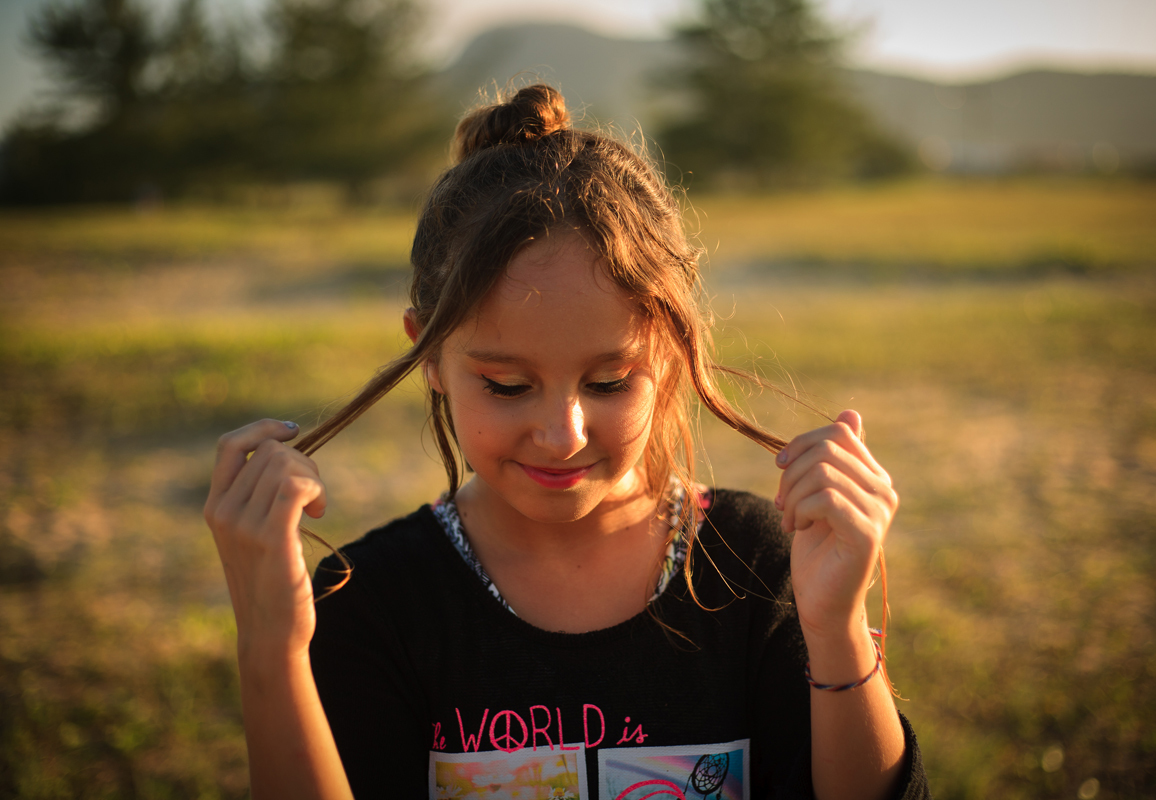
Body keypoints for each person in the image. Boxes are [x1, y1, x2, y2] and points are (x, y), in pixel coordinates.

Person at [204, 84, 931, 800]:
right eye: (508, 386)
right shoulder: (373, 604)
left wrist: (835, 631)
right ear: (427, 353)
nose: (562, 435)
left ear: (673, 353)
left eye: (610, 381)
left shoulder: (759, 564)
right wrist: (273, 650)